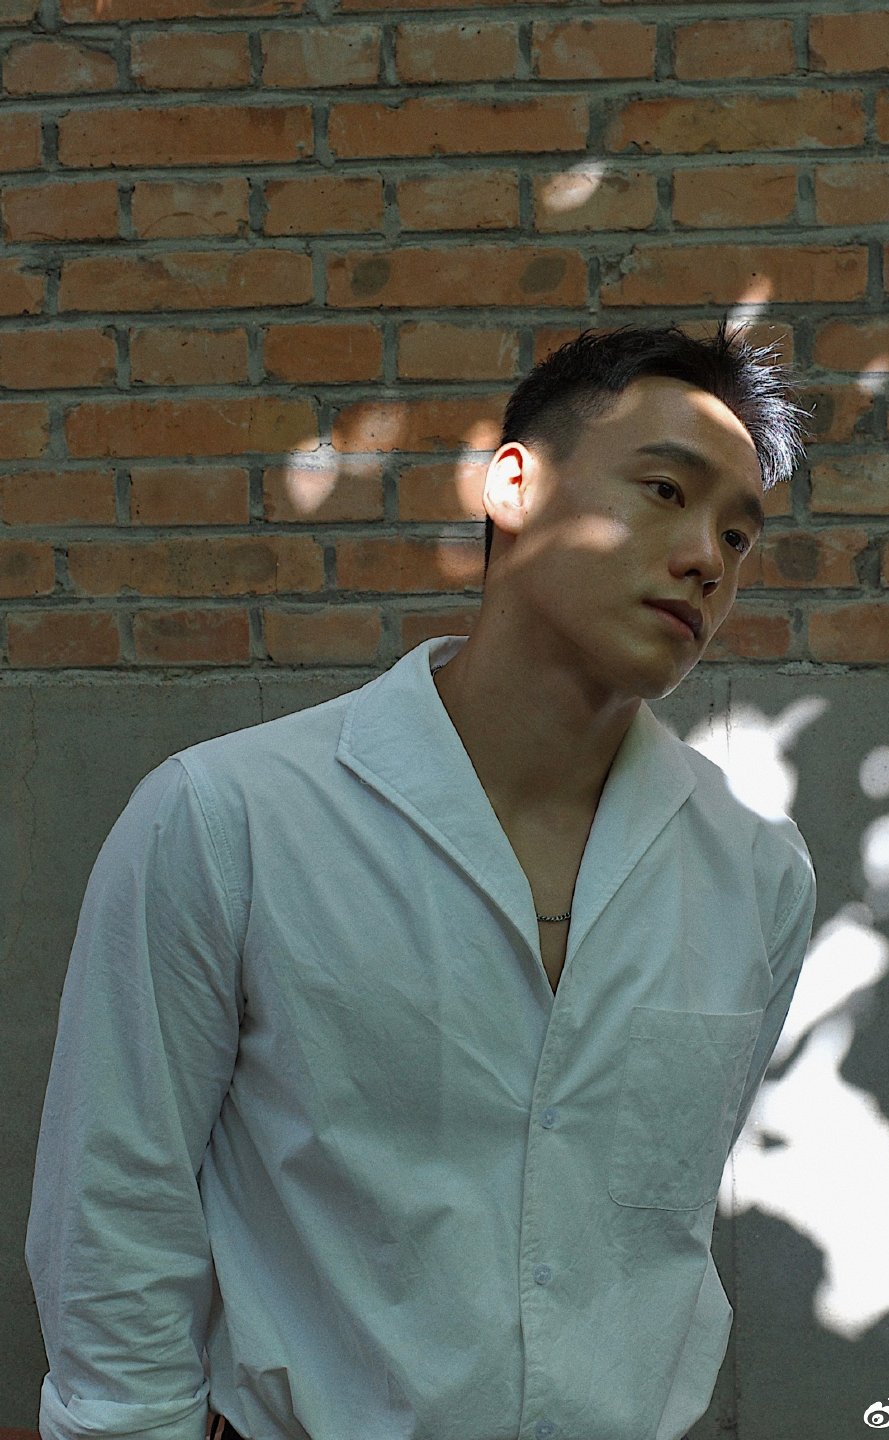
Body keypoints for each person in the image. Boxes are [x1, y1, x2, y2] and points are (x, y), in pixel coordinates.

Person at [26, 323, 817, 1440]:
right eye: (664, 491)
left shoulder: (755, 874)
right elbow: (117, 1226)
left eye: (739, 534)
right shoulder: (227, 822)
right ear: (514, 485)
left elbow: (654, 1230)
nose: (707, 558)